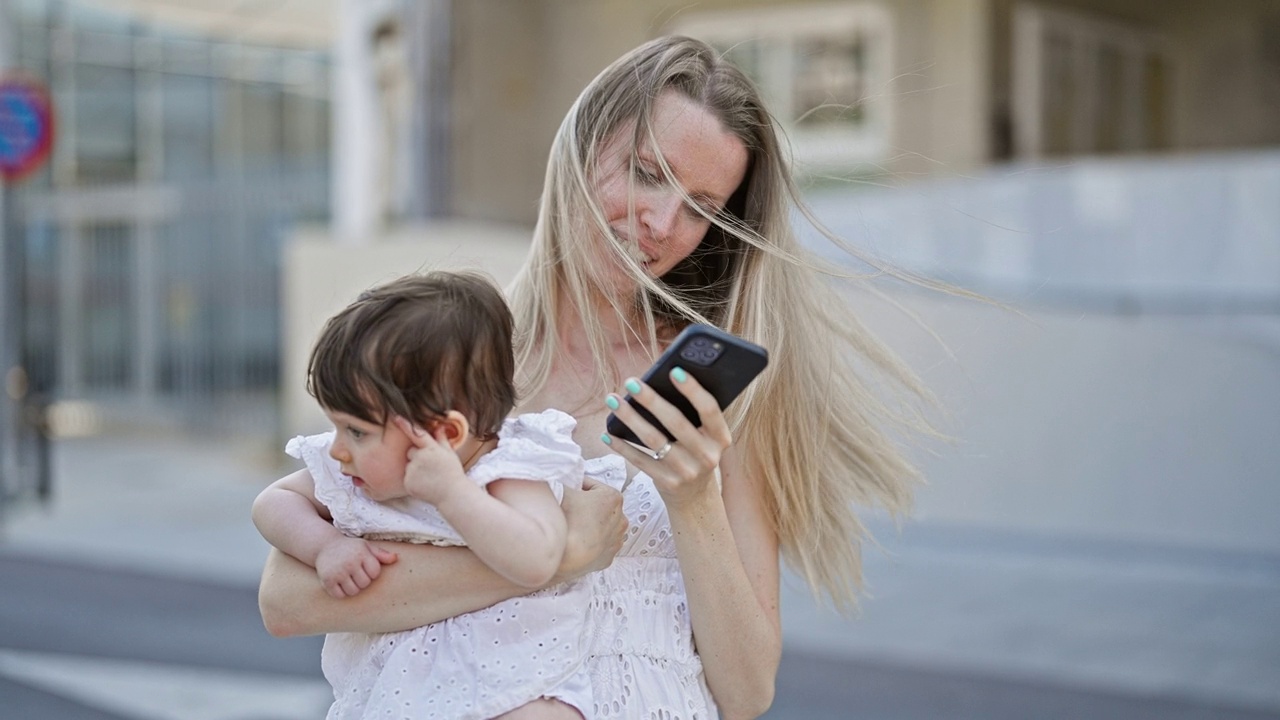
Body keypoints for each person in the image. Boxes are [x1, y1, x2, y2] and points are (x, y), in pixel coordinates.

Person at [259, 35, 936, 719]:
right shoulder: (447, 357)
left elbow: (748, 690)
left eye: (701, 207)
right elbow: (287, 600)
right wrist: (558, 558)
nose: (665, 224)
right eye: (647, 172)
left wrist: (694, 499)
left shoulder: (714, 400)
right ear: (581, 147)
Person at [252, 271, 607, 719]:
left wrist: (452, 493)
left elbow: (538, 559)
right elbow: (273, 503)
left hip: (515, 686)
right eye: (336, 425)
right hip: (397, 696)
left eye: (357, 431)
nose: (337, 447)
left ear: (444, 433)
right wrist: (325, 546)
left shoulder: (510, 469)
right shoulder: (353, 472)